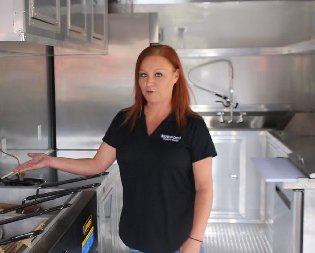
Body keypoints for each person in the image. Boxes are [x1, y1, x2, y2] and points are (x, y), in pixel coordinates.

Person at [13, 44, 217, 253]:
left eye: (158, 74)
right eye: (143, 74)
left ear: (176, 76)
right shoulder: (125, 120)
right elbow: (96, 164)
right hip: (137, 239)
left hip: (180, 242)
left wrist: (195, 239)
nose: (149, 82)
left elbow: (204, 188)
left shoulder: (192, 126)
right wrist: (50, 161)